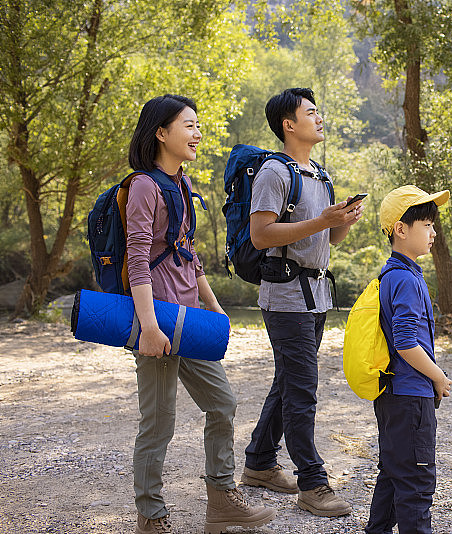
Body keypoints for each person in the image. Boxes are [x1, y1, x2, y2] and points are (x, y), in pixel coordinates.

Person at [126, 94, 275, 534]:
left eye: (197, 125)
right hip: (155, 320)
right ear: (160, 132)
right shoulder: (143, 187)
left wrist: (215, 308)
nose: (197, 133)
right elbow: (137, 260)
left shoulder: (184, 186)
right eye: (188, 125)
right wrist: (149, 328)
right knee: (158, 423)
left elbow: (187, 255)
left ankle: (222, 499)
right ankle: (150, 516)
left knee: (222, 404)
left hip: (189, 318)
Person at [241, 88, 363, 517]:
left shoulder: (321, 175)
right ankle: (313, 484)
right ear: (288, 125)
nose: (319, 118)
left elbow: (327, 238)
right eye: (311, 112)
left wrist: (341, 221)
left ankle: (258, 464)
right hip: (285, 295)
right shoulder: (275, 172)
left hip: (317, 296)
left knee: (288, 382)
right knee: (302, 390)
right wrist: (322, 220)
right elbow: (261, 235)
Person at [364, 185, 452, 534]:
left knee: (393, 472)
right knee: (416, 482)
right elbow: (405, 343)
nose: (433, 232)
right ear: (401, 229)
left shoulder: (396, 274)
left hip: (392, 396)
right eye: (427, 225)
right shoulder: (405, 279)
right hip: (410, 396)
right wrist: (438, 376)